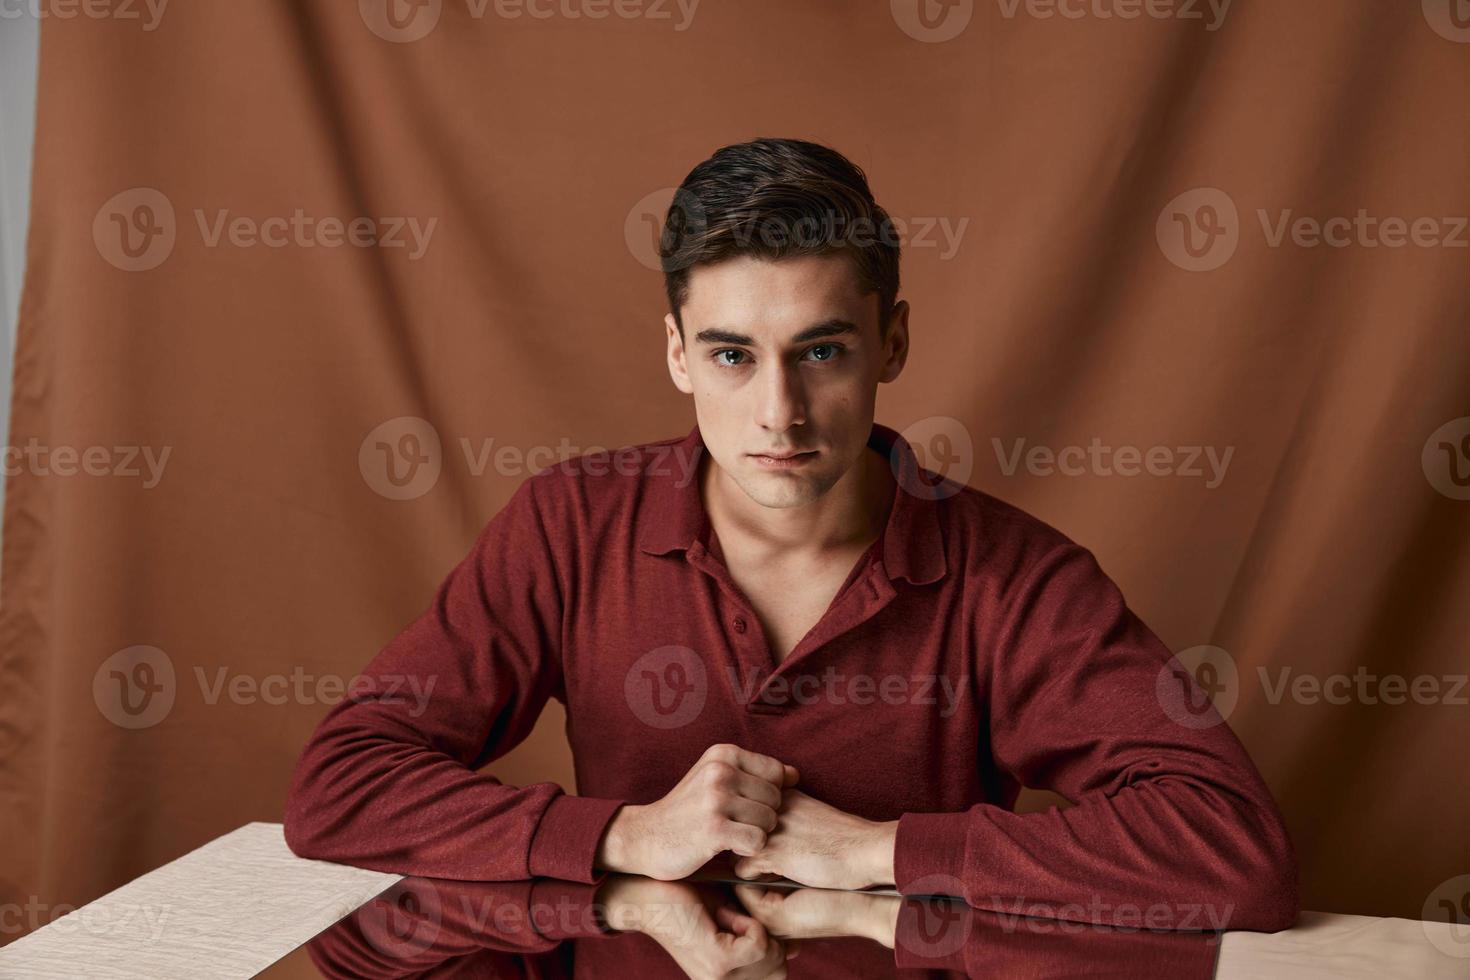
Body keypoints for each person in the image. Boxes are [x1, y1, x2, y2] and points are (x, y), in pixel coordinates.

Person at [284, 137, 1298, 973]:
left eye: (821, 350)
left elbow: (1232, 848)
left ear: (890, 342)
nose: (779, 412)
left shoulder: (1012, 573)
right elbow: (340, 785)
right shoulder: (568, 523)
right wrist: (626, 843)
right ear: (677, 352)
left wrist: (874, 850)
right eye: (732, 354)